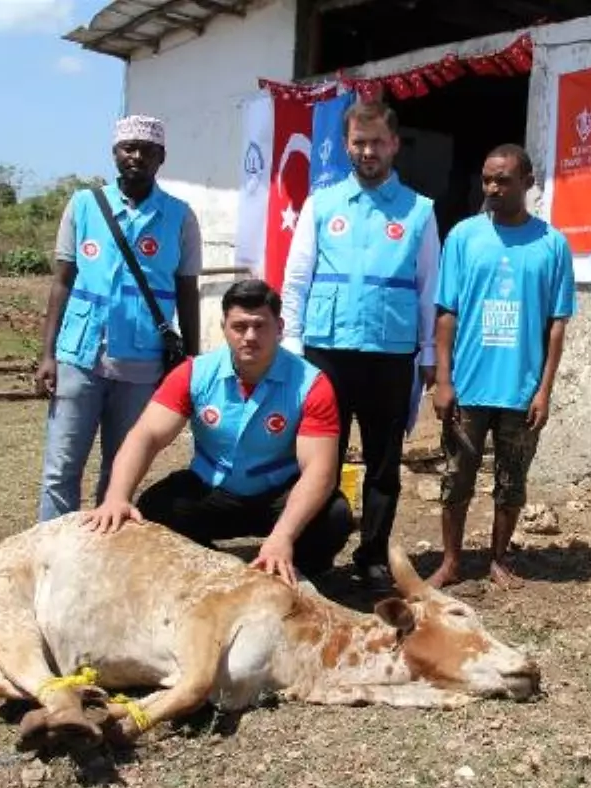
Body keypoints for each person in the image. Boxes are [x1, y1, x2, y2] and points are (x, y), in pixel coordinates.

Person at [82, 279, 352, 587]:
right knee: (154, 510)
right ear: (223, 326)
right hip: (213, 489)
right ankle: (214, 572)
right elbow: (146, 436)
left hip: (278, 495)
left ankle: (295, 576)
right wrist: (116, 496)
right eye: (239, 326)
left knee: (335, 517)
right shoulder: (193, 373)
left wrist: (283, 536)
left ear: (279, 327)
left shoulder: (312, 384)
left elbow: (320, 472)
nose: (250, 336)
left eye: (260, 325)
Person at [280, 99, 440, 587]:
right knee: (315, 457)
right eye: (358, 142)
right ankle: (309, 548)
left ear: (394, 144)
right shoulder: (321, 204)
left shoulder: (420, 211)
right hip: (326, 352)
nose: (368, 151)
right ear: (346, 145)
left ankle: (372, 555)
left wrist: (429, 351)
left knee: (384, 463)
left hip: (390, 355)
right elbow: (296, 278)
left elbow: (429, 286)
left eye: (377, 142)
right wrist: (290, 341)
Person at [36, 114, 202, 522]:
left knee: (120, 473)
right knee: (61, 470)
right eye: (129, 148)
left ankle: (103, 557)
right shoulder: (84, 205)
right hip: (79, 355)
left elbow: (186, 291)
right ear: (115, 153)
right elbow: (62, 282)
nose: (137, 157)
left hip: (142, 363)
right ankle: (52, 557)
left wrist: (190, 362)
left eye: (147, 150)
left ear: (161, 158)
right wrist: (47, 354)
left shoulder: (180, 217)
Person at [427, 144, 576, 589]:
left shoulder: (552, 245)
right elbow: (446, 313)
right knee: (455, 481)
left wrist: (544, 390)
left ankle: (499, 559)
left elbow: (555, 325)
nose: (492, 187)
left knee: (512, 484)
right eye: (487, 179)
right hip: (468, 388)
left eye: (503, 180)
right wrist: (443, 379)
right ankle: (451, 562)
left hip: (520, 390)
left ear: (528, 182)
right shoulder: (463, 237)